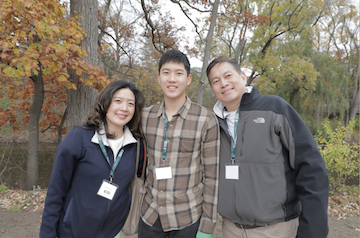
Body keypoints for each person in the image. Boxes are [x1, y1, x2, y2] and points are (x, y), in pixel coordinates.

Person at [206, 56, 329, 238]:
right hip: (230, 229)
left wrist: (314, 230)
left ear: (243, 76)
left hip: (277, 230)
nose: (223, 83)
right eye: (216, 81)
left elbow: (311, 168)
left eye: (228, 75)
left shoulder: (275, 109)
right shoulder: (211, 123)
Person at [39, 80, 146, 238]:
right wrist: (47, 234)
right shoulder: (79, 138)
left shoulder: (137, 146)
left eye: (131, 103)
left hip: (116, 233)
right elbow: (56, 192)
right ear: (106, 102)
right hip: (73, 232)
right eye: (118, 101)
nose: (124, 108)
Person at [138, 49, 220, 238]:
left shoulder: (206, 120)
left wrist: (207, 227)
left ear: (189, 79)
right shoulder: (145, 117)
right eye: (166, 73)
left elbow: (212, 179)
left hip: (187, 218)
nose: (172, 79)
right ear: (159, 78)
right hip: (150, 216)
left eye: (178, 73)